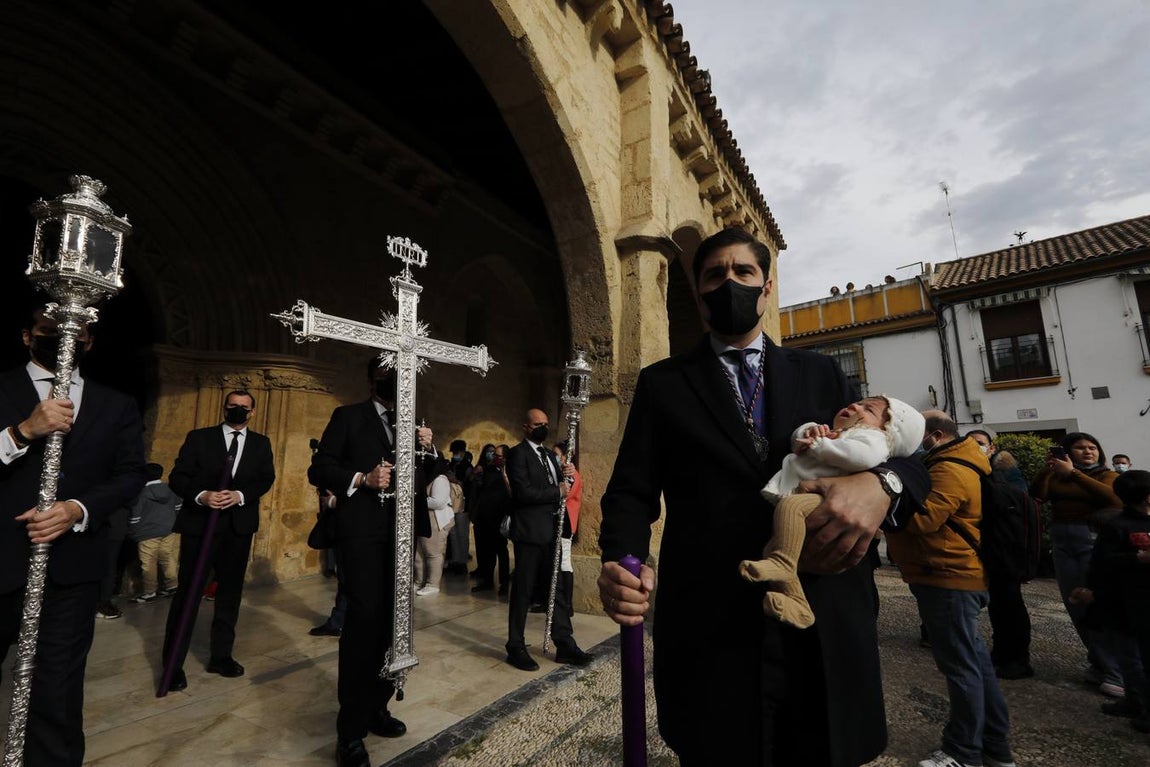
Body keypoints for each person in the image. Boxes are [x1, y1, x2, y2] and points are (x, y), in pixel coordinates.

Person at [597, 227, 929, 767]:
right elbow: (631, 491)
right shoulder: (663, 384)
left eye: (743, 272)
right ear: (698, 292)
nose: (729, 283)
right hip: (712, 617)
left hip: (823, 608)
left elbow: (909, 457)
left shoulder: (821, 371)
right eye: (714, 275)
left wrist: (881, 486)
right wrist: (620, 558)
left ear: (766, 287)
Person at [0, 305, 146, 766]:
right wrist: (23, 431)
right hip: (2, 558)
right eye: (49, 330)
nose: (63, 338)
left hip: (72, 567)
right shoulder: (2, 388)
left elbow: (130, 474)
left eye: (75, 332)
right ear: (28, 336)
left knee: (57, 689)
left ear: (89, 342)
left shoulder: (116, 404)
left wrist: (77, 509)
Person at [308, 359, 438, 767]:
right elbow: (320, 468)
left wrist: (427, 448)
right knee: (363, 626)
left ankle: (377, 706)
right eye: (389, 375)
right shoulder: (348, 417)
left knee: (394, 625)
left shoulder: (412, 422)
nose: (396, 381)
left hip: (401, 536)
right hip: (363, 536)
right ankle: (349, 731)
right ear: (373, 379)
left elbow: (429, 475)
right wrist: (362, 479)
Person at [887, 411, 1015, 767]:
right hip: (948, 574)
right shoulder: (954, 461)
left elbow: (924, 520)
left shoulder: (950, 468)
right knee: (974, 665)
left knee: (960, 668)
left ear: (936, 435)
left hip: (947, 575)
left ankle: (963, 752)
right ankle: (995, 747)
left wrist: (879, 503)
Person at [739, 395, 924, 628]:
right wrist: (809, 431)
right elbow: (798, 437)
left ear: (888, 430)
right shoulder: (839, 433)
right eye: (859, 402)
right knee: (772, 549)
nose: (855, 405)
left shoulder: (873, 438)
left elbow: (861, 456)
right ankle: (797, 603)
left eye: (868, 410)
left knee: (791, 507)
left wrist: (821, 445)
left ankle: (783, 564)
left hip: (823, 500)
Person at [160, 390, 276, 692]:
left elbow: (265, 478)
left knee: (230, 594)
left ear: (252, 412)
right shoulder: (199, 438)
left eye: (244, 407)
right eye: (233, 405)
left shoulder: (261, 443)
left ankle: (221, 656)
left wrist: (240, 495)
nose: (238, 410)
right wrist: (202, 496)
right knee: (189, 593)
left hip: (238, 527)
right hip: (201, 525)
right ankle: (172, 665)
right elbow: (178, 477)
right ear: (224, 408)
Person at [1030, 432, 1125, 697]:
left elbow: (1115, 499)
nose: (1087, 451)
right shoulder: (1057, 476)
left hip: (1092, 538)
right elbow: (1037, 495)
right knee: (1075, 604)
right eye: (1080, 448)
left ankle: (1116, 671)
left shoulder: (1106, 475)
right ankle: (1099, 662)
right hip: (1063, 540)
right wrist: (1048, 470)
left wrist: (1074, 474)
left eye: (1092, 447)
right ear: (1068, 452)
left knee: (1096, 603)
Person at [504, 408, 590, 672]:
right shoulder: (518, 454)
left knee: (557, 589)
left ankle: (564, 643)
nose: (543, 427)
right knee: (524, 589)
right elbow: (523, 492)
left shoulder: (550, 456)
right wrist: (557, 491)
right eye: (537, 424)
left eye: (545, 423)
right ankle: (515, 645)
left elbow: (563, 486)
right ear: (526, 427)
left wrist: (568, 474)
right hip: (530, 533)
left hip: (553, 531)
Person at [1071, 469, 1150, 732]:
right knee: (1129, 657)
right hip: (1122, 602)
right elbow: (1102, 563)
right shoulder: (1117, 526)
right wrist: (1136, 559)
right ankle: (1136, 701)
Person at [966, 429, 1035, 680]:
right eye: (971, 443)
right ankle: (1001, 652)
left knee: (1010, 605)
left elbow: (1017, 507)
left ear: (992, 448)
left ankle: (1018, 659)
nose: (976, 446)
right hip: (989, 547)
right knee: (998, 606)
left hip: (1007, 548)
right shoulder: (972, 473)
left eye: (980, 443)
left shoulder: (1006, 474)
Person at [129, 462, 180, 603]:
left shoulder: (142, 493)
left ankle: (149, 592)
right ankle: (172, 585)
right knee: (168, 558)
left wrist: (133, 532)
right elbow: (178, 507)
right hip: (169, 530)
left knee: (148, 563)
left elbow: (135, 516)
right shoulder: (170, 489)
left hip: (147, 533)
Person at [470, 443, 512, 594]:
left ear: (505, 458)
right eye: (494, 455)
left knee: (501, 551)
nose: (495, 458)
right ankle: (487, 580)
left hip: (499, 518)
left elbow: (511, 494)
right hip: (485, 518)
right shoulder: (488, 470)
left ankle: (504, 583)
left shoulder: (511, 473)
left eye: (498, 456)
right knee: (487, 551)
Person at [414, 457, 453, 596]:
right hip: (425, 519)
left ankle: (432, 584)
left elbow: (438, 502)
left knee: (433, 553)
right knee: (419, 554)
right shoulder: (427, 479)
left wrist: (417, 500)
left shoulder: (440, 479)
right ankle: (419, 581)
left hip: (436, 520)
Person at [444, 439, 472, 575]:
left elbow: (469, 486)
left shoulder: (467, 467)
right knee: (453, 534)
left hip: (463, 505)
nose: (456, 454)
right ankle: (454, 561)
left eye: (458, 452)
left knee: (462, 534)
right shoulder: (451, 465)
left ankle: (462, 562)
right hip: (451, 504)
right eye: (454, 452)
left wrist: (456, 481)